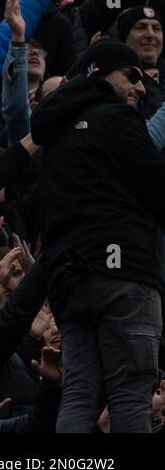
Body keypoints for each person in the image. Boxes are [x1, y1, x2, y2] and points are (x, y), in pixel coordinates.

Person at [30, 39, 165, 432]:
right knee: (131, 390)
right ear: (101, 75)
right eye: (131, 76)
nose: (141, 88)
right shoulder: (117, 119)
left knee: (78, 393)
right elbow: (157, 188)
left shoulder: (54, 135)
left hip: (69, 282)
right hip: (123, 274)